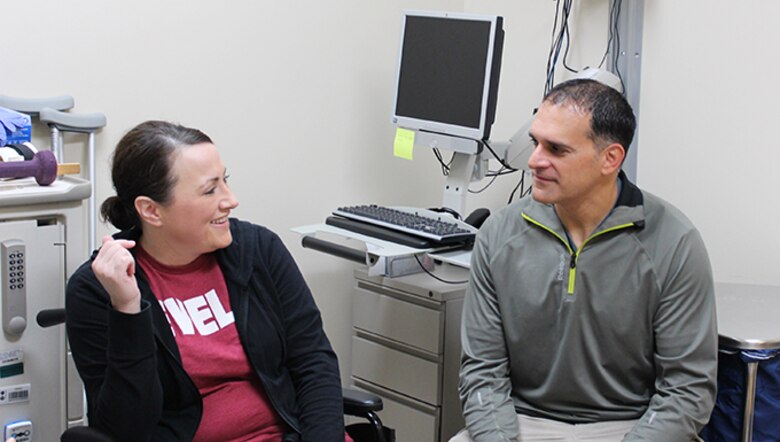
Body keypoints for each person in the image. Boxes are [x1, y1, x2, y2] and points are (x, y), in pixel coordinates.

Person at [451, 79, 717, 442]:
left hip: (631, 426)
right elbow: (482, 374)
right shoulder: (499, 235)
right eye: (535, 142)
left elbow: (686, 391)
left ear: (610, 159)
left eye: (556, 149)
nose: (534, 160)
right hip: (522, 422)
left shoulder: (674, 243)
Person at [66, 121, 351, 442]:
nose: (230, 200)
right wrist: (128, 311)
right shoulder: (97, 288)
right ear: (151, 211)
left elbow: (313, 361)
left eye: (225, 181)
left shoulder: (258, 250)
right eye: (210, 189)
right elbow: (125, 430)